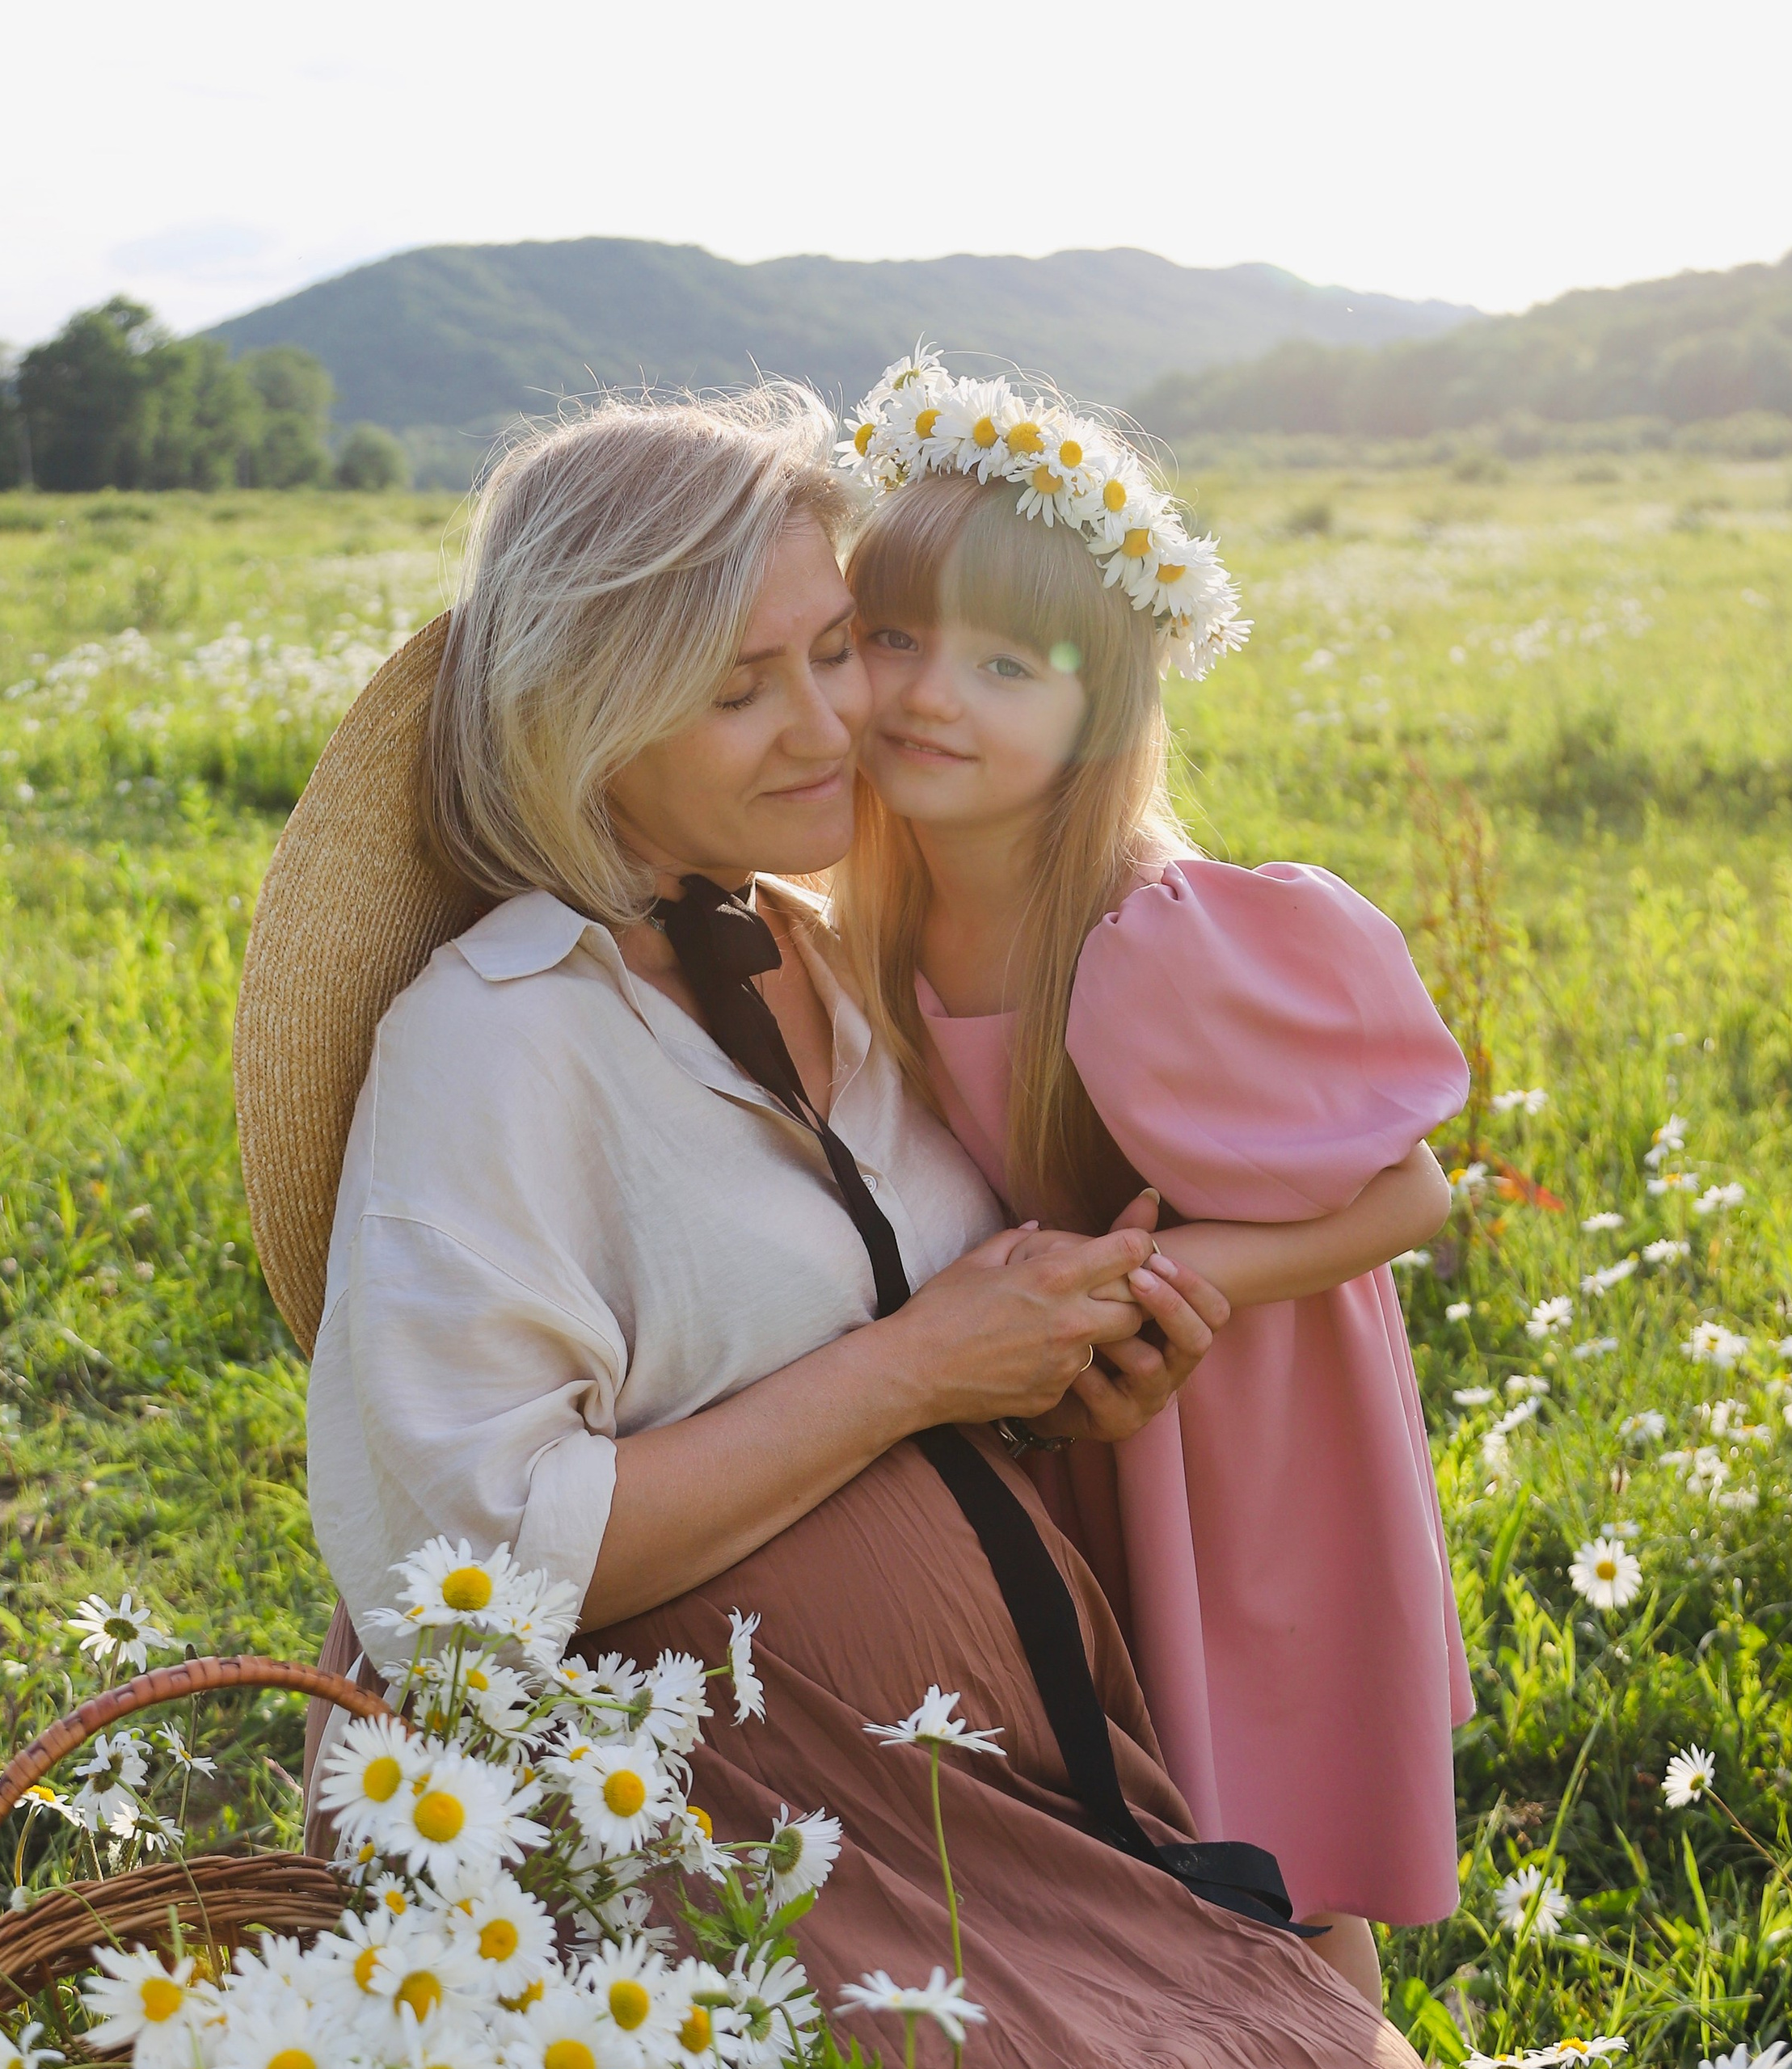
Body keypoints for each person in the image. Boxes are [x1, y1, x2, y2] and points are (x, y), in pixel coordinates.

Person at [235, 383, 1423, 2065]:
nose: (830, 721)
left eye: (835, 645)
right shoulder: (494, 1038)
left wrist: (1056, 1365)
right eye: (740, 687)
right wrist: (917, 1366)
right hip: (740, 1831)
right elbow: (470, 1580)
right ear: (591, 714)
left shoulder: (828, 946)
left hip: (995, 1786)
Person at [831, 352, 1474, 2004]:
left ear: (1097, 702)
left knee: (1269, 1827)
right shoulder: (869, 919)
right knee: (1126, 1830)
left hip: (1234, 1432)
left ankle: (1336, 2033)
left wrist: (1166, 1277)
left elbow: (1411, 1196)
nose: (927, 694)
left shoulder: (1150, 941)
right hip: (1055, 1411)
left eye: (1000, 661)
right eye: (892, 636)